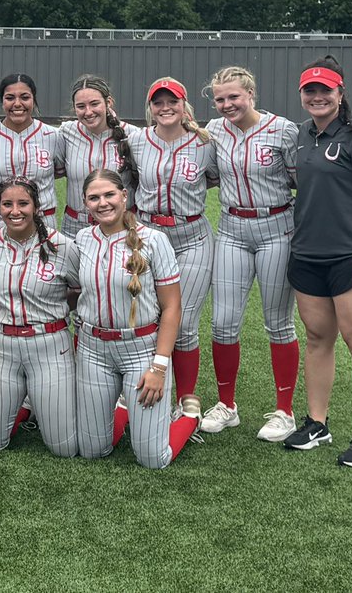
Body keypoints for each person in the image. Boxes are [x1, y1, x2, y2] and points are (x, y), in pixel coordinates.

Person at [283, 57, 352, 468]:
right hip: (308, 254)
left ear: (340, 93)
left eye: (325, 90)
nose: (317, 97)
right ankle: (317, 422)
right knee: (317, 339)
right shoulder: (301, 135)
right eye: (309, 90)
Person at [73, 169, 202, 468]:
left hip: (141, 351)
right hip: (93, 350)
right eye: (94, 198)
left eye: (109, 195)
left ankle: (190, 417)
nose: (103, 203)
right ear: (84, 202)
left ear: (124, 196)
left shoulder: (154, 240)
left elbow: (172, 307)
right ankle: (126, 408)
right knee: (93, 450)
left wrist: (159, 366)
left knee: (153, 459)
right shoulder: (82, 239)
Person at [201, 66, 301, 442]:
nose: (227, 104)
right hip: (232, 227)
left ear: (251, 94)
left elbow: (299, 181)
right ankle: (227, 405)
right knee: (223, 322)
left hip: (277, 226)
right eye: (220, 98)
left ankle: (285, 412)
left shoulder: (282, 129)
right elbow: (208, 174)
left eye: (234, 97)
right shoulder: (212, 131)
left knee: (278, 322)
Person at [0, 177, 80, 457]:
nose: (14, 211)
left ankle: (35, 403)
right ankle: (25, 406)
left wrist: (50, 309)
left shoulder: (63, 246)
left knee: (63, 448)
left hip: (49, 343)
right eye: (7, 204)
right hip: (1, 344)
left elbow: (79, 291)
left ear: (37, 207)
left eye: (23, 204)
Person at [126, 78, 217, 403]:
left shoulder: (205, 141)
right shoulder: (137, 141)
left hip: (192, 236)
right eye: (158, 102)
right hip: (150, 236)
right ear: (150, 108)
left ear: (184, 104)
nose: (165, 108)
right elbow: (129, 183)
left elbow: (216, 178)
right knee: (148, 313)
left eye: (172, 101)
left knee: (185, 321)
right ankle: (144, 384)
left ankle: (187, 397)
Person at [0, 73, 65, 230]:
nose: (17, 103)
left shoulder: (52, 135)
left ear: (34, 100)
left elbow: (59, 170)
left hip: (43, 221)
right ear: (2, 101)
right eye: (10, 98)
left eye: (24, 97)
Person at [59, 75, 138, 238]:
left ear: (108, 102)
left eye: (94, 104)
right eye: (81, 106)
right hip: (75, 227)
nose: (88, 112)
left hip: (122, 225)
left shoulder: (134, 135)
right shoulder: (65, 133)